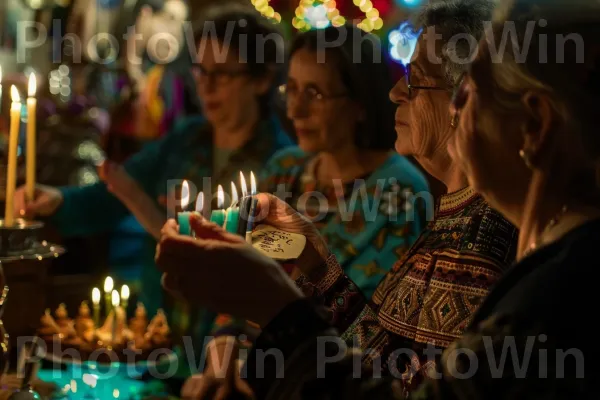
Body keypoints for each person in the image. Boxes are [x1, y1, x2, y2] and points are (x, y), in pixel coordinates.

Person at [159, 0, 600, 398]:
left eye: (469, 90)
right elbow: (392, 360)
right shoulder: (462, 222)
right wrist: (314, 263)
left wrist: (279, 312)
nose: (397, 93)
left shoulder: (514, 263)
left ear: (535, 126)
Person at [14, 4, 293, 318]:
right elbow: (108, 198)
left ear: (261, 80)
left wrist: (143, 205)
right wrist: (57, 201)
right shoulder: (185, 140)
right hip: (160, 330)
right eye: (201, 70)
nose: (206, 85)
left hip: (228, 342)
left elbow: (267, 267)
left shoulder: (282, 163)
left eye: (223, 74)